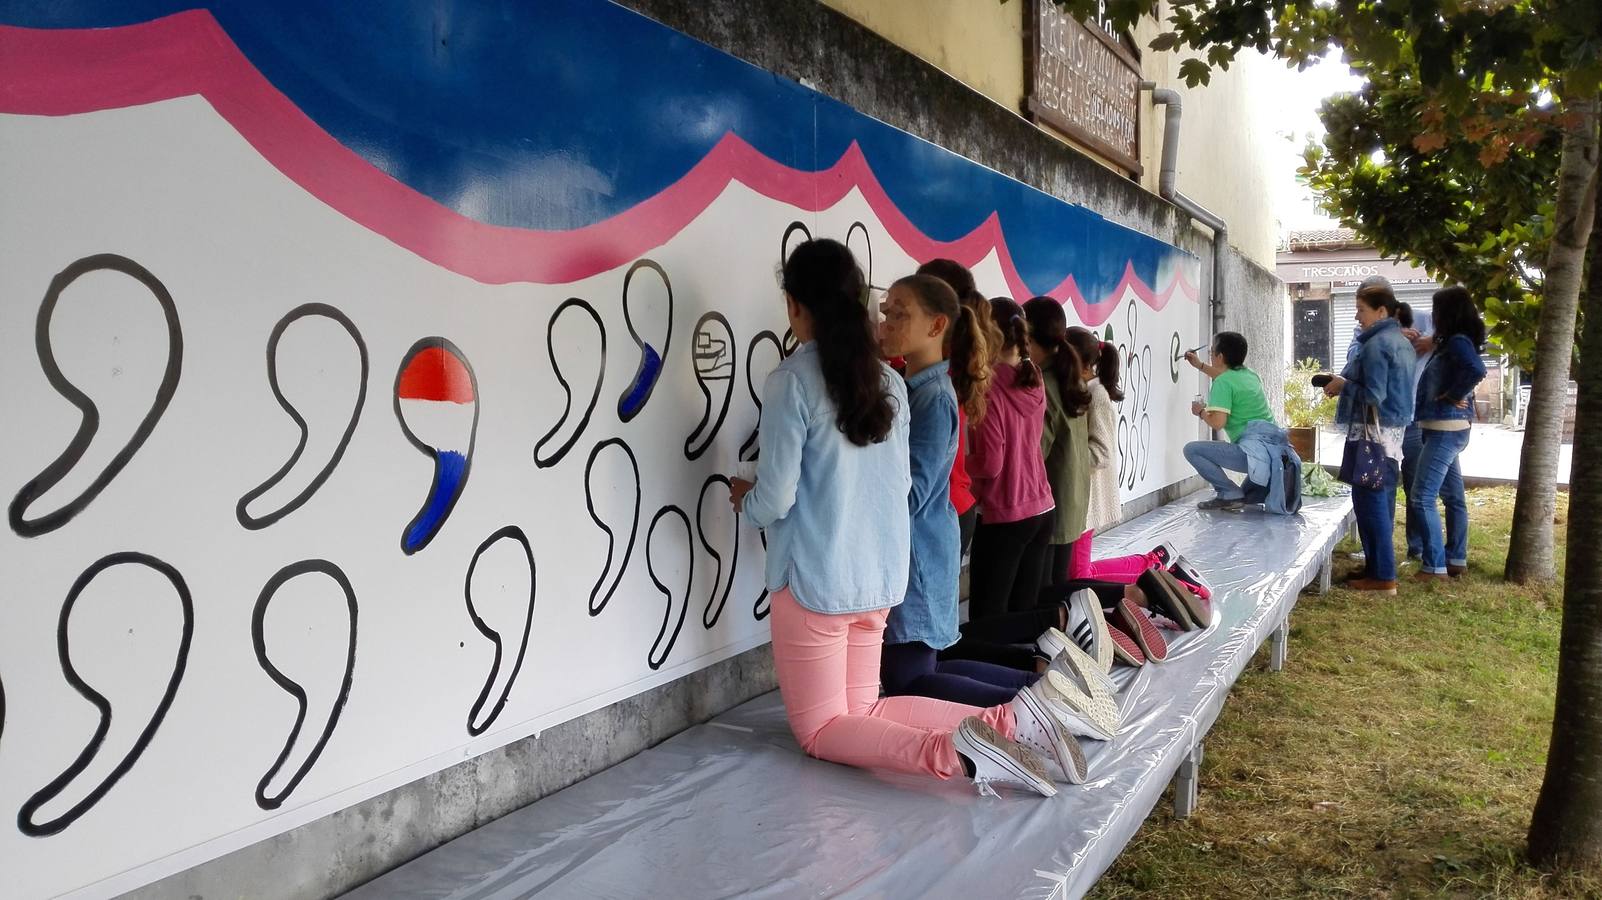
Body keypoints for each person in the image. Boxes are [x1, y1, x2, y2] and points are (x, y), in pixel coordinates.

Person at [730, 239, 1083, 796]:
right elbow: (897, 489)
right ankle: (1007, 722)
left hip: (815, 583)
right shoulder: (892, 382)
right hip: (878, 582)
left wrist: (743, 499)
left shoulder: (792, 381)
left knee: (821, 729)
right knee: (865, 709)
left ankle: (956, 753)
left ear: (796, 305)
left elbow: (775, 498)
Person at [876, 273, 1036, 705]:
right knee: (924, 672)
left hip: (920, 556)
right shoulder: (916, 387)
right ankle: (1038, 693)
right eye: (885, 312)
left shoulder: (932, 398)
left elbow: (915, 493)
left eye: (900, 314)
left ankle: (1036, 703)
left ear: (937, 325)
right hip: (919, 551)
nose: (886, 323)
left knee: (909, 683)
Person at [1323, 276, 1417, 594]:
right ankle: (1378, 567)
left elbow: (1374, 394)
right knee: (1379, 496)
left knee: (1370, 499)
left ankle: (1383, 575)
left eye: (1361, 309)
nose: (1356, 316)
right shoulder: (1398, 339)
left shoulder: (1377, 344)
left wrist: (1342, 385)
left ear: (1380, 311)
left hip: (1373, 433)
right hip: (1389, 431)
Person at [966, 298, 1057, 620]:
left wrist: (959, 465)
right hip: (1042, 506)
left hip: (1007, 512)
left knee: (987, 618)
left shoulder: (988, 387)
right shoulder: (1032, 376)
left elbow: (991, 463)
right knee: (1022, 612)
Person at [915, 259, 1001, 557]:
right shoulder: (955, 365)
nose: (888, 323)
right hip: (955, 504)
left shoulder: (937, 378)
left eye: (902, 312)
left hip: (941, 508)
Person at [1409, 287, 1486, 580]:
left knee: (1421, 496)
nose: (1433, 316)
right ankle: (1456, 557)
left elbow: (1475, 368)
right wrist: (1435, 341)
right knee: (1453, 496)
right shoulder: (1452, 341)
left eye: (1437, 310)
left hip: (1445, 428)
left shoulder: (1457, 342)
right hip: (1448, 428)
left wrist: (1455, 394)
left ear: (1447, 313)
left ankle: (1434, 566)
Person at [1022, 297, 1093, 589]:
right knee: (1057, 589)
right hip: (1071, 500)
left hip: (1051, 503)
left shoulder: (1044, 384)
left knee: (1044, 597)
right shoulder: (1070, 378)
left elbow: (1036, 452)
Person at [1181, 331, 1277, 511]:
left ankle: (1228, 493)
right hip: (1273, 451)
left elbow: (1218, 423)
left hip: (1252, 454)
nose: (1210, 356)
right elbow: (1225, 377)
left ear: (1220, 356)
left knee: (1191, 450)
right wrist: (1200, 365)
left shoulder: (1223, 383)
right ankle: (1239, 492)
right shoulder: (1250, 375)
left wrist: (1201, 411)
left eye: (1211, 352)